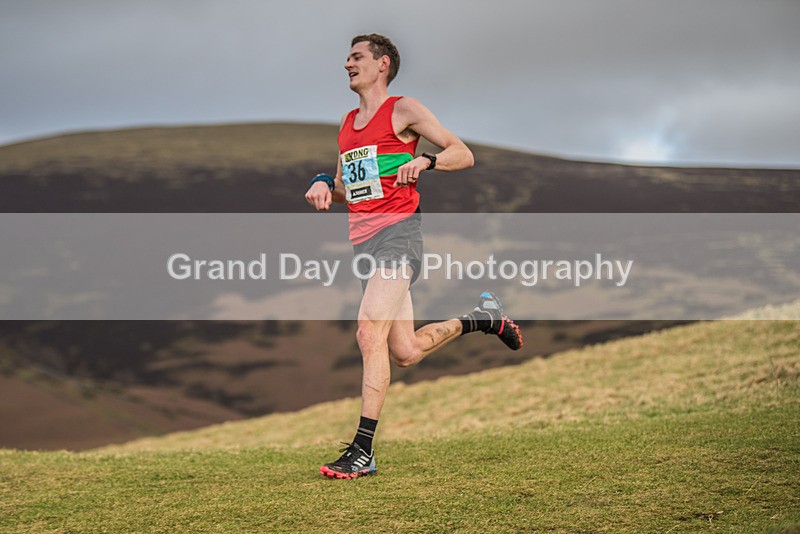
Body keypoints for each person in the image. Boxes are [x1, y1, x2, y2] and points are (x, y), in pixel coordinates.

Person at [305, 34, 523, 480]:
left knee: (369, 331)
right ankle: (485, 318)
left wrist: (425, 162)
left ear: (382, 64)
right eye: (347, 58)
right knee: (404, 351)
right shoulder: (347, 124)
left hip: (398, 235)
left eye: (356, 57)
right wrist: (325, 182)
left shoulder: (403, 110)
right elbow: (352, 190)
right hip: (364, 245)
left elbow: (462, 153)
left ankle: (362, 450)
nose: (347, 64)